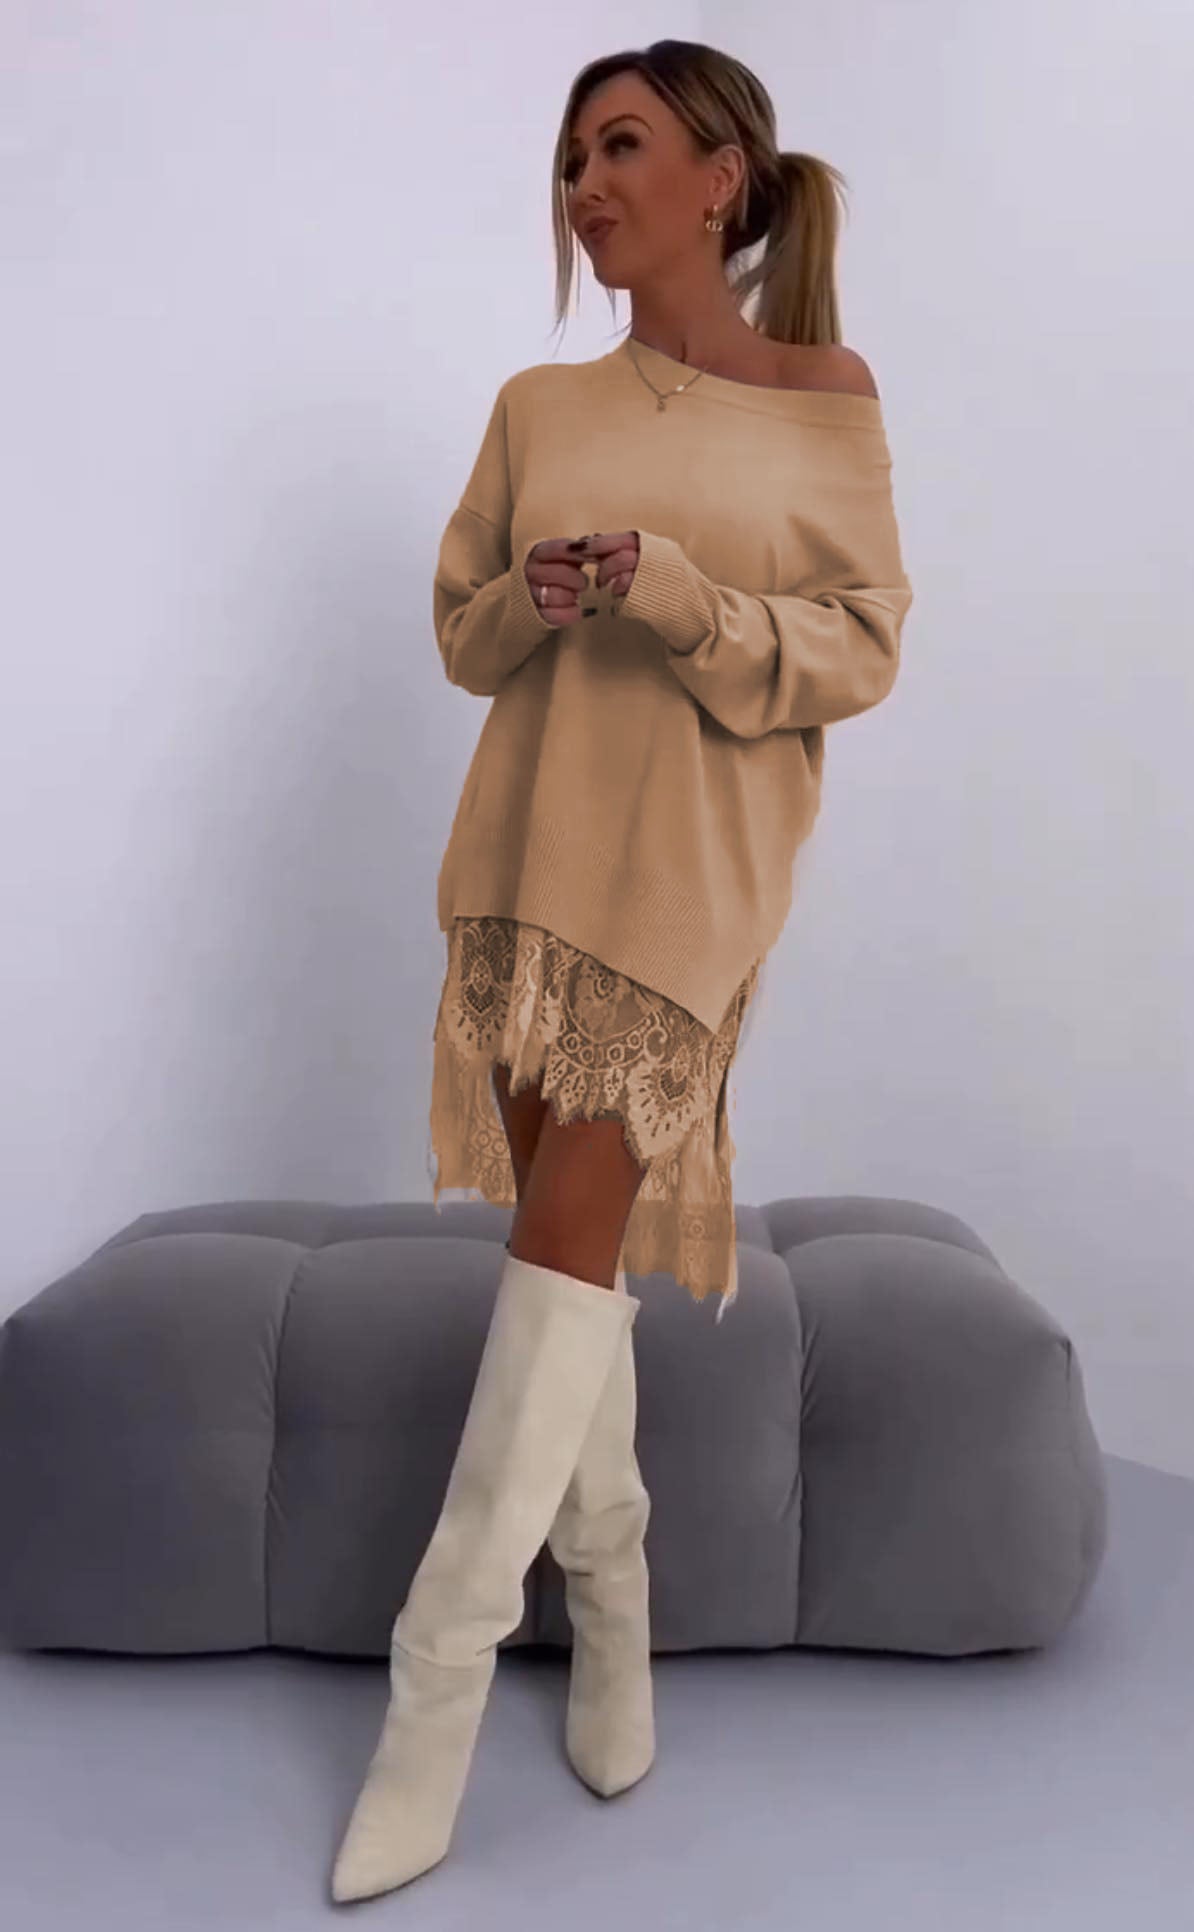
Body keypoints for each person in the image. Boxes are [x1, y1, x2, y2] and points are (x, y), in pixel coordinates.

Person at [332, 36, 913, 1902]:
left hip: (688, 885)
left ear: (719, 176)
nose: (584, 185)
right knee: (559, 1264)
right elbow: (461, 632)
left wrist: (682, 596)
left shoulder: (824, 396)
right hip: (524, 859)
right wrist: (539, 599)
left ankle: (432, 1694)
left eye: (619, 146)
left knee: (564, 1242)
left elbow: (859, 644)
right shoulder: (536, 401)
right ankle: (615, 1620)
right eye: (570, 157)